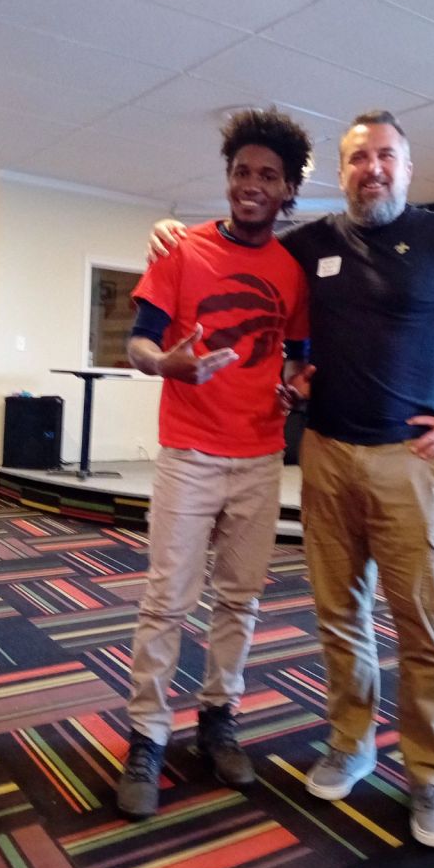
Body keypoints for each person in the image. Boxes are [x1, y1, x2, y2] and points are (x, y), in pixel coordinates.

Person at [146, 110, 434, 848]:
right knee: (340, 618)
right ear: (342, 172)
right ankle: (350, 742)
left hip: (412, 464)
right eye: (359, 159)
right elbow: (241, 244)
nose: (373, 170)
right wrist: (172, 233)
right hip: (326, 456)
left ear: (408, 167)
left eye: (386, 156)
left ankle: (430, 778)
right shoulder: (312, 244)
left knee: (424, 627)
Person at [117, 107, 313, 820]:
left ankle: (218, 719)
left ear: (287, 190)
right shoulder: (181, 250)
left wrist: (296, 385)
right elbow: (138, 342)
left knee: (240, 600)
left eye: (268, 175)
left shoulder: (292, 271)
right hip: (189, 455)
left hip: (260, 459)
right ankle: (147, 735)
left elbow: (300, 357)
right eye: (240, 171)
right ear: (228, 178)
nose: (251, 184)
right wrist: (163, 364)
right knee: (166, 600)